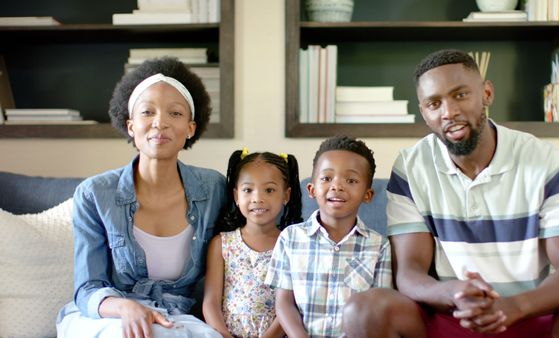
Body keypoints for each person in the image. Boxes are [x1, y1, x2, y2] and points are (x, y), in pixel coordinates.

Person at [342, 49, 559, 338]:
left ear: (486, 93)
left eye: (460, 94)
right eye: (434, 104)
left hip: (531, 314)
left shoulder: (542, 160)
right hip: (453, 316)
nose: (449, 112)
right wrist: (451, 292)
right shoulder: (411, 167)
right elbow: (408, 272)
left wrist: (513, 307)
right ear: (424, 112)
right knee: (364, 309)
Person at [56, 57, 226, 338]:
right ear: (131, 125)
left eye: (175, 113)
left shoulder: (215, 188)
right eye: (147, 112)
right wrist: (125, 308)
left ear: (191, 128)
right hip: (112, 315)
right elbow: (88, 288)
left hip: (178, 316)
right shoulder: (94, 194)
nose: (160, 123)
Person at [264, 135, 393, 338]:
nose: (337, 186)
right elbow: (284, 303)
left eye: (351, 180)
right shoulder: (290, 238)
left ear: (367, 195)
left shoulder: (379, 246)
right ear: (312, 189)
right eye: (326, 178)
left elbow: (379, 311)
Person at [202, 148, 303, 338]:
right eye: (248, 190)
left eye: (269, 190)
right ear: (236, 196)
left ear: (286, 195)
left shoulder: (292, 245)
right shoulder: (222, 244)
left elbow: (291, 304)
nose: (258, 198)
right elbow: (210, 302)